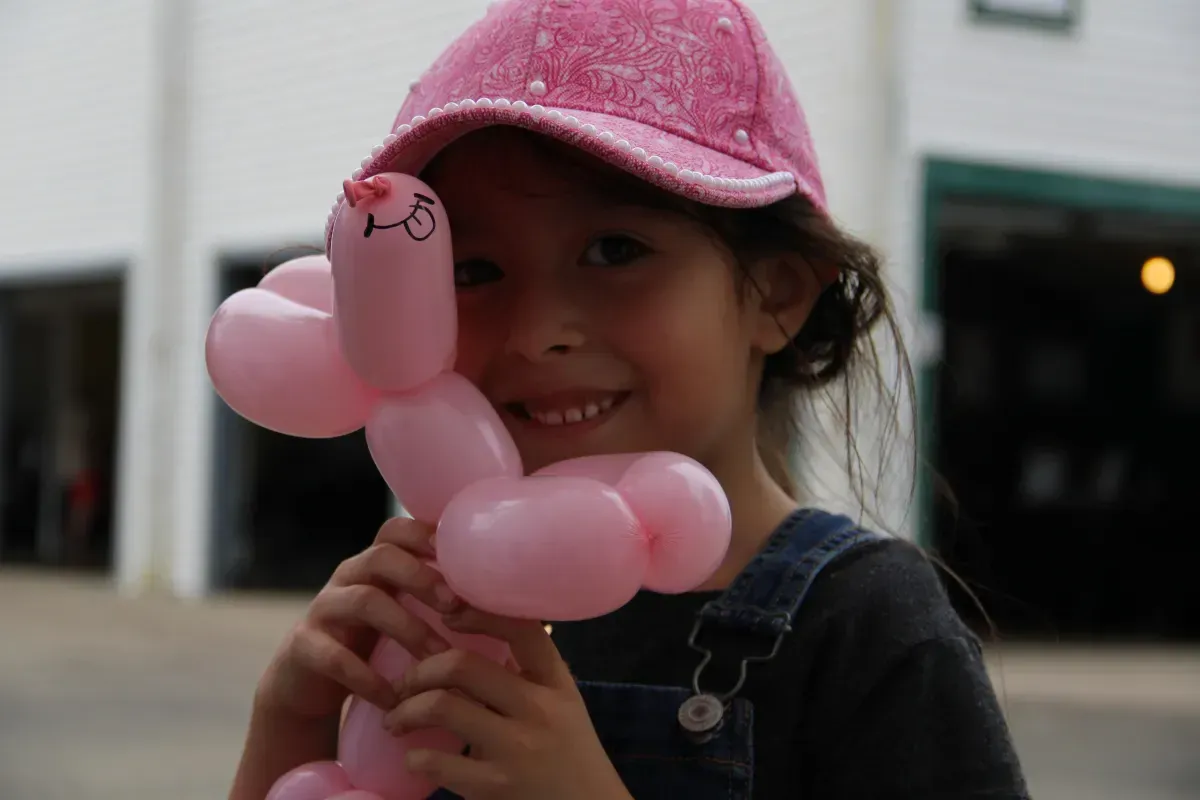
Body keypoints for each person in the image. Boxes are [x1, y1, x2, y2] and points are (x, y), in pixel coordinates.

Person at [231, 1, 1029, 797]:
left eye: (615, 250)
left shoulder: (870, 633)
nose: (537, 332)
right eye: (473, 271)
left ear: (776, 295)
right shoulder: (438, 611)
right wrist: (293, 721)